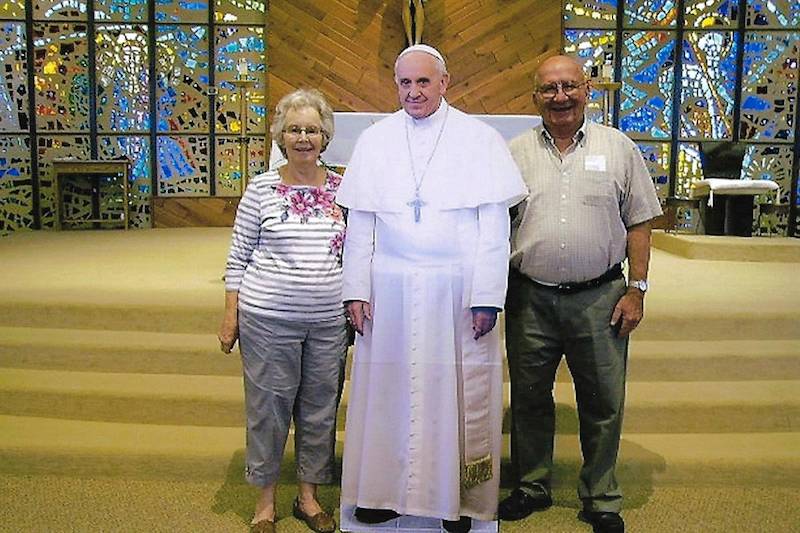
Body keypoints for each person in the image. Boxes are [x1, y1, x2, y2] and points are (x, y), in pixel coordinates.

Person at [336, 44, 527, 533]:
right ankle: (381, 494)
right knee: (385, 395)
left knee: (456, 395)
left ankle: (455, 502)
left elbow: (493, 227)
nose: (413, 92)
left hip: (455, 292)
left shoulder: (478, 140)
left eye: (423, 82)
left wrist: (487, 296)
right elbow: (361, 224)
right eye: (405, 83)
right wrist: (356, 288)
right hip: (390, 290)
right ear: (395, 84)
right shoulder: (376, 141)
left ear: (445, 83)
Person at [498, 55, 662, 533]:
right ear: (535, 97)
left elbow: (640, 222)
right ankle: (531, 485)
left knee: (602, 401)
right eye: (549, 89)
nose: (560, 97)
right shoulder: (514, 153)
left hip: (601, 296)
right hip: (530, 297)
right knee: (529, 398)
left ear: (586, 89)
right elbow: (494, 227)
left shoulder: (618, 148)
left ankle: (601, 495)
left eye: (569, 86)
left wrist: (637, 288)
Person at [218, 89, 347, 533]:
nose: (304, 137)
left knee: (319, 409)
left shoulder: (344, 189)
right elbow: (237, 258)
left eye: (312, 129)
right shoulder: (261, 189)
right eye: (294, 129)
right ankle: (265, 501)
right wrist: (231, 314)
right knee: (268, 409)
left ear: (325, 136)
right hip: (268, 318)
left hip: (329, 322)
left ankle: (308, 497)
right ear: (280, 136)